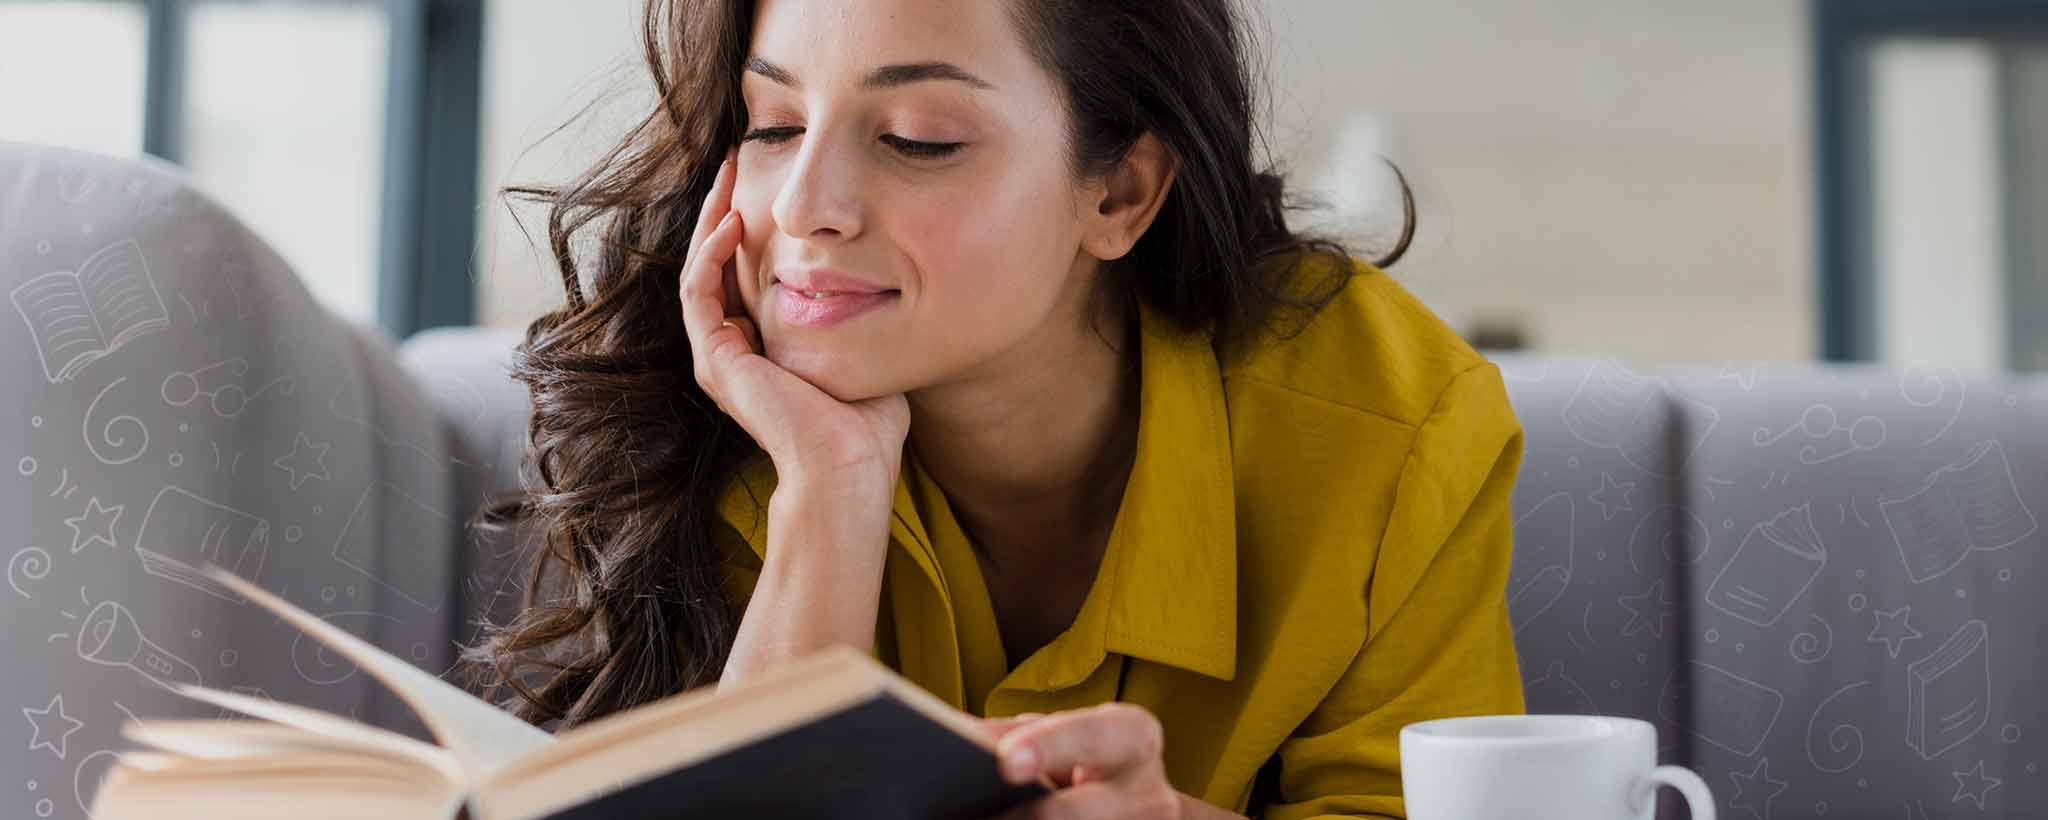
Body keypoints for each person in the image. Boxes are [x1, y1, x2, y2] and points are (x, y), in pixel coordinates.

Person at [465, 0, 1528, 817]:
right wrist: (828, 490)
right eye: (774, 123)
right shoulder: (713, 413)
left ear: (1118, 194)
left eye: (919, 138)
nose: (802, 209)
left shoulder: (1394, 430)